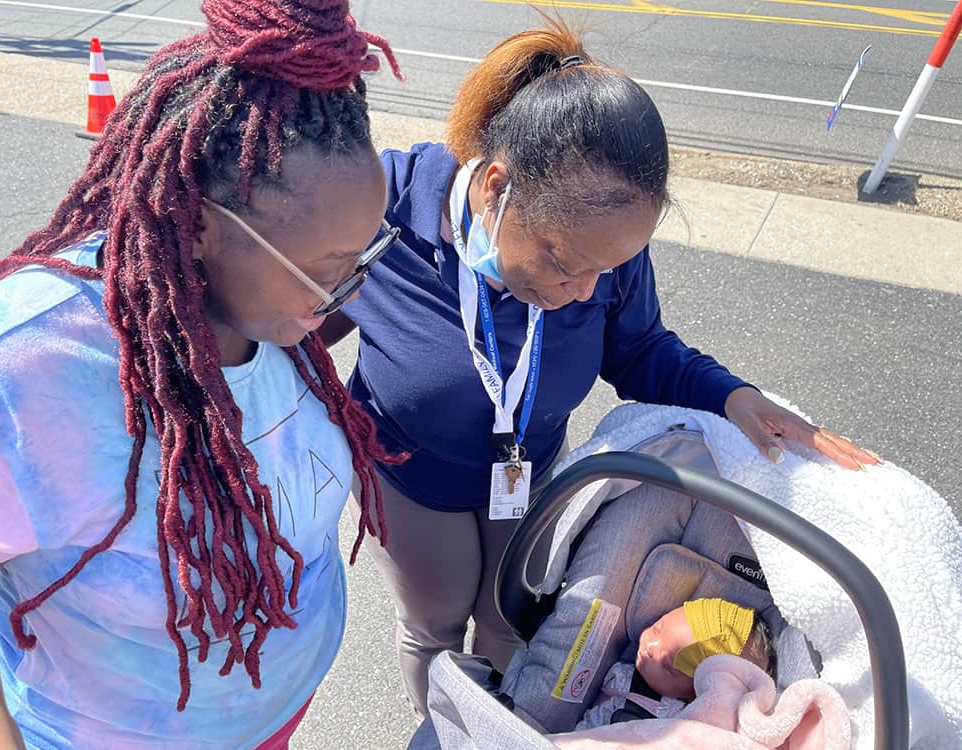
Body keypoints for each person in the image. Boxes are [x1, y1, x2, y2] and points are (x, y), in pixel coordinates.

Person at [319, 19, 879, 719]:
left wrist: (732, 396)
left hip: (527, 473)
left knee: (508, 621)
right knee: (433, 624)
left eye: (604, 270)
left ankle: (497, 725)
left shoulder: (603, 245)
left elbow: (640, 349)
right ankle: (439, 727)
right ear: (496, 188)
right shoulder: (387, 208)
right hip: (407, 476)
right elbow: (301, 319)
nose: (583, 291)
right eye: (560, 261)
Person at [0, 1, 404, 747]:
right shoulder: (19, 369)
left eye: (363, 259)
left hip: (271, 722)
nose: (345, 298)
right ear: (199, 223)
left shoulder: (274, 307)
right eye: (326, 273)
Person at [576, 598, 776, 729]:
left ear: (695, 694)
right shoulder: (621, 675)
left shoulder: (691, 724)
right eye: (657, 628)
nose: (649, 646)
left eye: (667, 665)